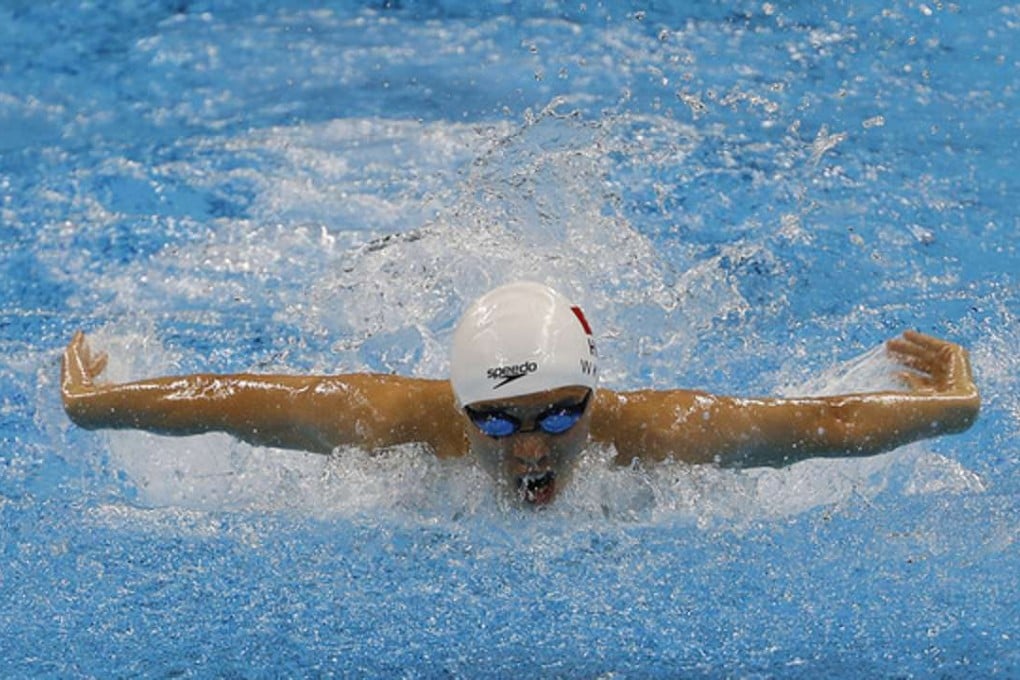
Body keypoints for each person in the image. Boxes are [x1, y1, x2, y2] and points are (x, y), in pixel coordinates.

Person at [61, 281, 980, 506]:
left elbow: (829, 422)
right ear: (462, 409)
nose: (531, 448)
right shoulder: (390, 421)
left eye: (560, 415)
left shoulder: (661, 434)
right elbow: (232, 398)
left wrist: (959, 403)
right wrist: (93, 403)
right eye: (496, 419)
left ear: (594, 395)